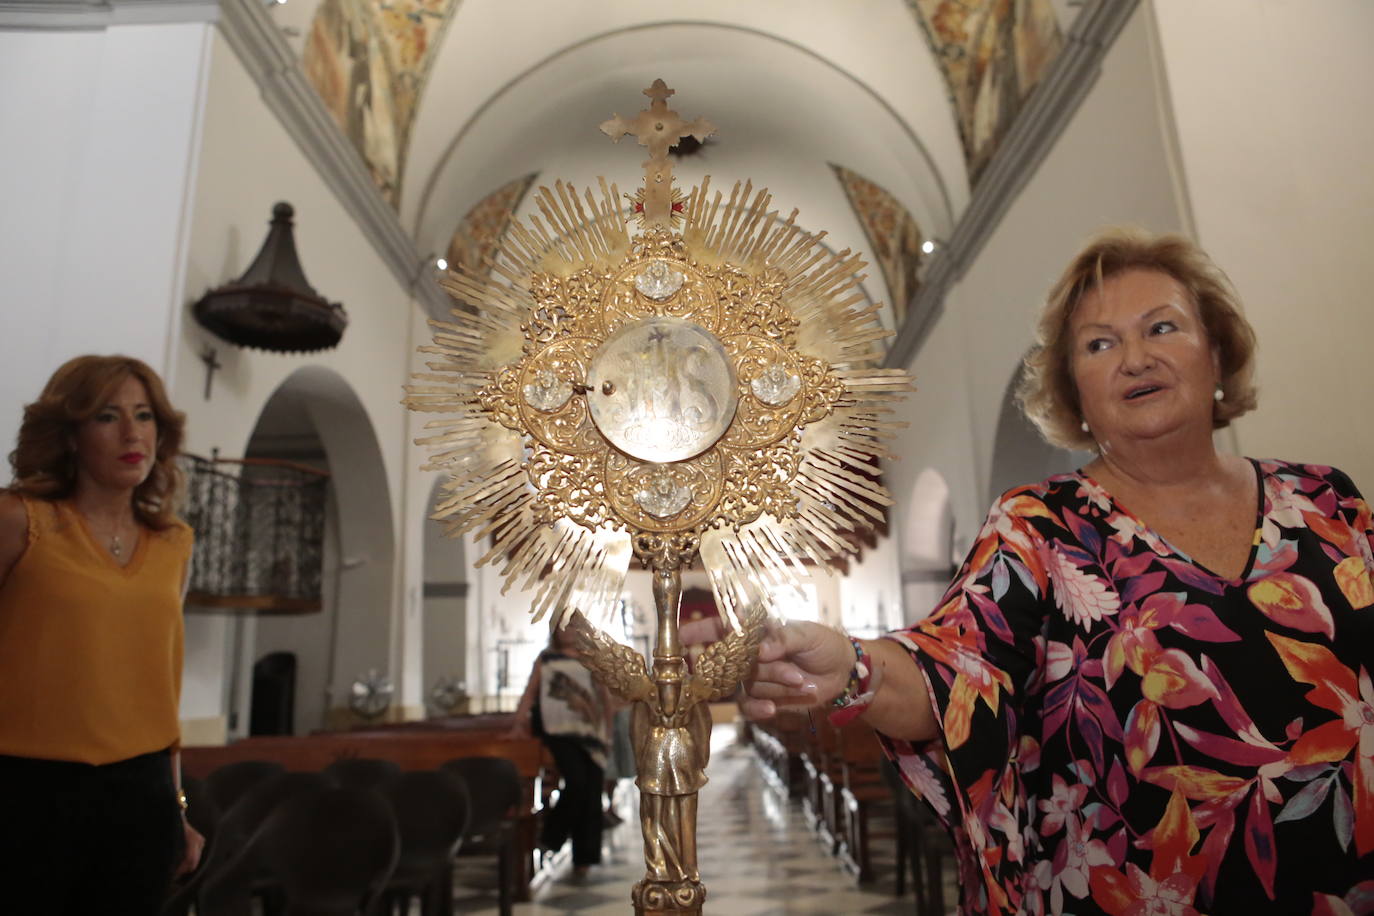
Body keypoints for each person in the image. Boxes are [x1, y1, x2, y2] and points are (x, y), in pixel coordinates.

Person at [738, 229, 1374, 914]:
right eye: (1100, 344)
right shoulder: (1040, 526)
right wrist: (852, 667)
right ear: (1076, 391)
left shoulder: (1325, 500)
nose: (1136, 358)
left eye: (1162, 327)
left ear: (1216, 350)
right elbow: (954, 671)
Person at [0, 355, 205, 913]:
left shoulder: (173, 543)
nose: (131, 432)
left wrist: (179, 809)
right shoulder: (20, 520)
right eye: (107, 416)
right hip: (26, 790)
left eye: (144, 416)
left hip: (142, 794)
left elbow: (162, 680)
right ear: (69, 433)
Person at [508, 621, 613, 879]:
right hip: (557, 731)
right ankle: (550, 839)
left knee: (591, 791)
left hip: (590, 732)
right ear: (555, 630)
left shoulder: (591, 658)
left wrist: (608, 732)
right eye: (564, 627)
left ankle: (584, 858)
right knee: (576, 782)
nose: (569, 632)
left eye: (574, 627)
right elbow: (531, 693)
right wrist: (518, 722)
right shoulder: (546, 659)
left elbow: (604, 697)